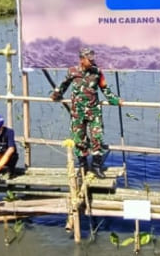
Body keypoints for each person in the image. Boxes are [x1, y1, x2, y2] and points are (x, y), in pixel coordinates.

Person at [50, 46, 121, 178]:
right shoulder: (72, 71)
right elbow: (63, 85)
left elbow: (105, 89)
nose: (92, 62)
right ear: (82, 60)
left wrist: (115, 100)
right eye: (89, 59)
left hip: (94, 112)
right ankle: (83, 166)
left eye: (92, 59)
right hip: (78, 113)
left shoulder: (97, 72)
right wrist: (56, 94)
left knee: (97, 138)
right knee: (79, 140)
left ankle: (96, 166)